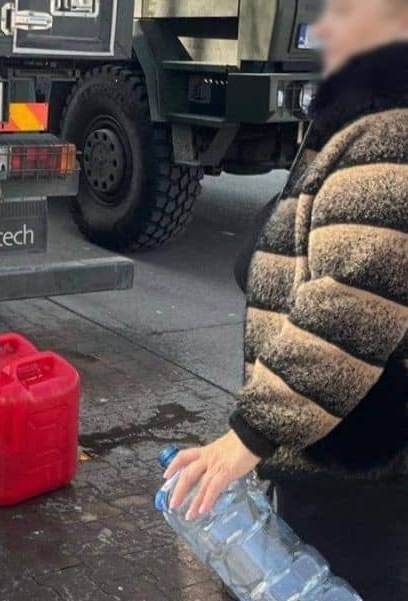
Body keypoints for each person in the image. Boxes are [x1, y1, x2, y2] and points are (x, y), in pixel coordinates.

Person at [164, 1, 408, 598]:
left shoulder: (389, 132)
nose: (323, 30)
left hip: (356, 463)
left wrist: (247, 437)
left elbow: (347, 307)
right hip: (338, 448)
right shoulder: (359, 122)